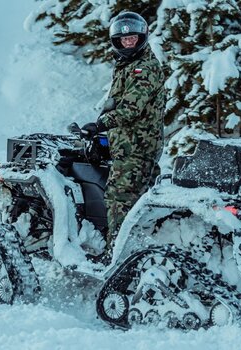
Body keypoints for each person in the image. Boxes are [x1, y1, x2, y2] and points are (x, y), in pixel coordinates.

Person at [81, 11, 165, 256]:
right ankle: (140, 253)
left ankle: (116, 257)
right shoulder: (127, 66)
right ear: (116, 41)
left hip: (137, 148)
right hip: (130, 146)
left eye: (133, 39)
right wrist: (104, 139)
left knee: (119, 199)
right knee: (140, 205)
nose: (128, 43)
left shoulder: (144, 68)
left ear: (142, 38)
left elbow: (130, 108)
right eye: (123, 40)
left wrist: (101, 125)